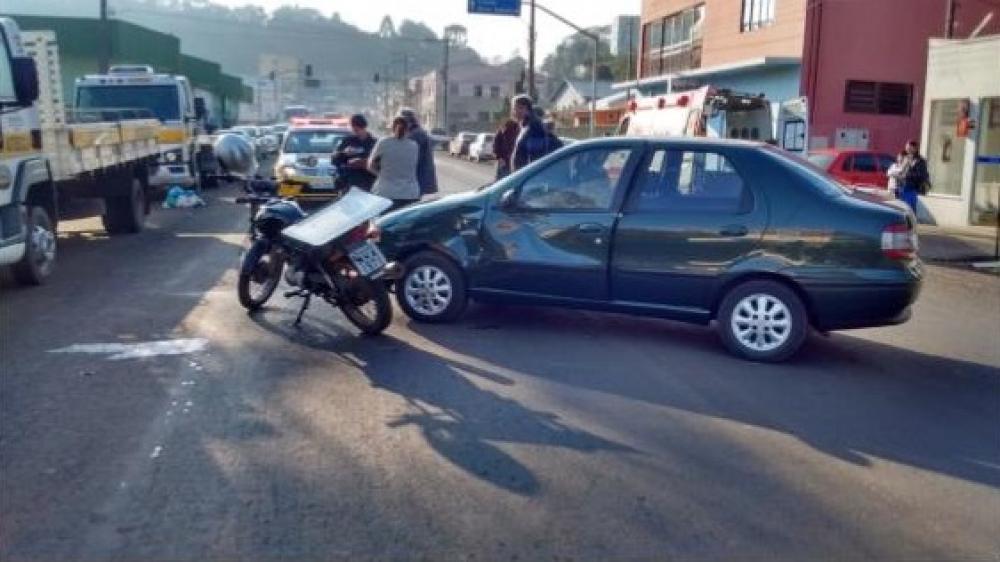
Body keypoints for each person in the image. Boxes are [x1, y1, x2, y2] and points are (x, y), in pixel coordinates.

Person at [368, 116, 420, 212]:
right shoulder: (414, 145)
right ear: (408, 129)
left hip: (386, 192)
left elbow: (370, 165)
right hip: (410, 193)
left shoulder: (384, 142)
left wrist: (381, 175)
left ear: (391, 128)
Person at [398, 108, 438, 196]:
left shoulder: (415, 135)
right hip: (418, 178)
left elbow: (411, 158)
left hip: (417, 178)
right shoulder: (417, 132)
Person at [331, 114, 377, 191]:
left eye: (358, 129)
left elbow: (382, 163)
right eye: (354, 129)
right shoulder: (347, 141)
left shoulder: (375, 143)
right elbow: (334, 160)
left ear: (364, 127)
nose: (356, 132)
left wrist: (365, 162)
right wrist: (344, 153)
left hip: (369, 182)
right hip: (350, 182)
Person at [511, 95, 552, 172]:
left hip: (528, 175)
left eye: (515, 108)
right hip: (522, 175)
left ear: (524, 108)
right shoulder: (525, 125)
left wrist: (528, 175)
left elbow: (536, 157)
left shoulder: (534, 126)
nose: (513, 112)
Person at [898, 140, 930, 214]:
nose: (907, 149)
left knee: (910, 209)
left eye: (909, 147)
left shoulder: (920, 161)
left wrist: (907, 175)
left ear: (915, 148)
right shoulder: (905, 158)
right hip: (902, 187)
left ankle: (911, 220)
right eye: (906, 147)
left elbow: (921, 175)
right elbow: (901, 170)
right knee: (901, 208)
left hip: (911, 188)